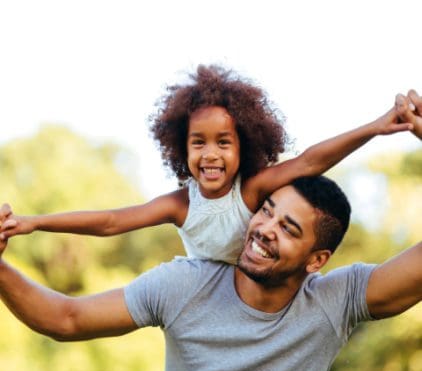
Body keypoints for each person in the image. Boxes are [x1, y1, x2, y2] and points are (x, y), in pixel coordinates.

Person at [0, 92, 420, 371]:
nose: (265, 229)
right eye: (267, 212)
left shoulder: (332, 303)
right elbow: (65, 317)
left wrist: (382, 128)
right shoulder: (183, 284)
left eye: (288, 229)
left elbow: (313, 158)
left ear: (317, 260)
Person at [0, 65, 412, 264]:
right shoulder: (181, 205)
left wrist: (375, 128)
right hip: (207, 303)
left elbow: (310, 161)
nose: (210, 154)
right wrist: (36, 222)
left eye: (224, 143)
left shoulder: (250, 192)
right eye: (199, 143)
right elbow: (111, 221)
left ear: (244, 148)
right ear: (182, 148)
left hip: (261, 292)